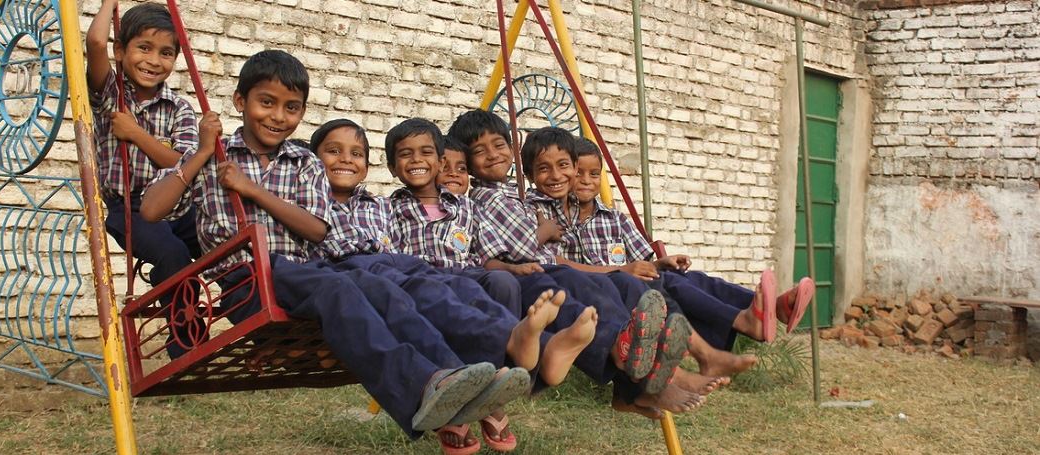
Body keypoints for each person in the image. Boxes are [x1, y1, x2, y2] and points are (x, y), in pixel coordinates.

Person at [139, 50, 521, 442]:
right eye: (265, 102)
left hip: (303, 270)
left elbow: (318, 230)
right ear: (240, 101)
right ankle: (424, 385)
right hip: (249, 279)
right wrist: (202, 151)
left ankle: (451, 375)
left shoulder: (305, 162)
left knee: (379, 287)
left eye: (291, 108)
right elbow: (151, 209)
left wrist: (250, 189)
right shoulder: (213, 157)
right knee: (339, 287)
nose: (277, 116)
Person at [310, 118, 595, 453]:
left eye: (426, 153)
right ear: (390, 166)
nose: (416, 161)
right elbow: (389, 255)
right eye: (406, 155)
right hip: (420, 277)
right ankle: (491, 398)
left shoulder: (462, 206)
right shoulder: (390, 207)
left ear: (439, 162)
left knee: (494, 283)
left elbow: (485, 249)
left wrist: (506, 264)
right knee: (442, 298)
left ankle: (519, 361)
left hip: (463, 273)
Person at [448, 109, 710, 416]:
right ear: (468, 162)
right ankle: (634, 361)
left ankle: (638, 382)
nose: (493, 155)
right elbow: (519, 247)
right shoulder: (483, 198)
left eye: (499, 145)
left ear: (511, 144)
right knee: (578, 299)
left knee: (620, 284)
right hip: (531, 276)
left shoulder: (515, 191)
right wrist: (543, 230)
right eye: (479, 151)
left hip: (549, 269)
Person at [566, 135, 815, 353]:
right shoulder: (563, 220)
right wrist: (625, 271)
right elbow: (561, 269)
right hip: (602, 292)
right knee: (673, 283)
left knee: (691, 278)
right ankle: (743, 320)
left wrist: (661, 262)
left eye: (594, 174)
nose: (587, 180)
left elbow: (644, 262)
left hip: (633, 282)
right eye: (579, 174)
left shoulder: (614, 219)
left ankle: (777, 307)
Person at [86, 0, 201, 358]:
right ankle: (184, 344)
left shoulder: (178, 107)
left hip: (177, 206)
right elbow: (93, 43)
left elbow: (185, 163)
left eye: (166, 53)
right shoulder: (111, 94)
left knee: (220, 236)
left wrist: (136, 134)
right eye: (144, 48)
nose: (154, 61)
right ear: (121, 51)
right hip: (131, 210)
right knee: (173, 253)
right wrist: (109, 3)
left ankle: (186, 289)